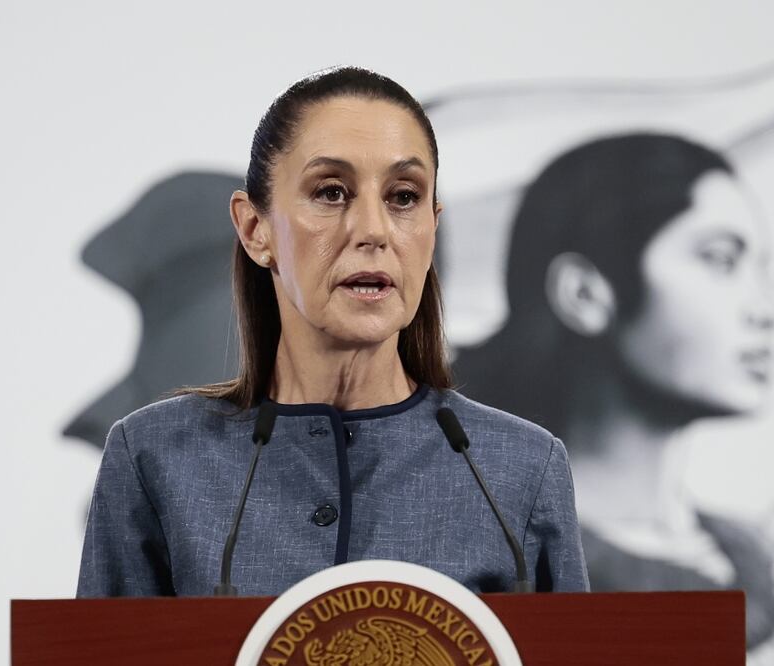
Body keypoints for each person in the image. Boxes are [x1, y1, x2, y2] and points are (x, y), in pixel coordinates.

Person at [77, 67, 588, 597]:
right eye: (332, 191)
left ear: (433, 229)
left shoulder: (522, 468)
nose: (373, 230)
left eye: (403, 197)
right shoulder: (154, 456)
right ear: (255, 230)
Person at [455, 134, 774, 664]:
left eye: (762, 270)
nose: (768, 308)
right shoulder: (483, 569)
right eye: (720, 260)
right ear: (584, 294)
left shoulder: (769, 567)